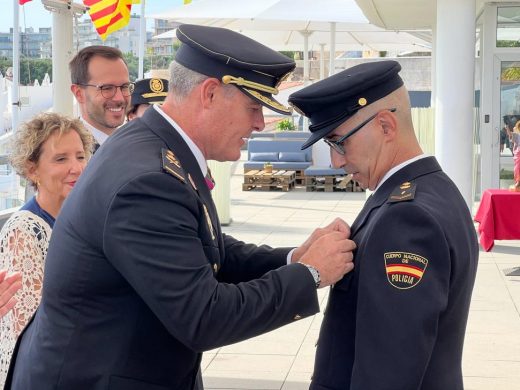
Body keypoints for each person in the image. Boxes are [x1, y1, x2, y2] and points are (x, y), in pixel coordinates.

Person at [6, 25, 355, 390]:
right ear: (209, 94)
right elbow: (204, 317)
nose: (257, 123)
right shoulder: (147, 179)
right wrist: (310, 274)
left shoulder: (154, 147)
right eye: (253, 107)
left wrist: (293, 258)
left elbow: (207, 248)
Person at [288, 60, 479, 390]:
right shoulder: (431, 190)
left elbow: (388, 371)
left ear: (386, 126)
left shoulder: (407, 219)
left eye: (338, 142)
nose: (336, 161)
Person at [0, 113, 93, 386]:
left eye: (80, 156)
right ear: (32, 170)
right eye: (61, 159)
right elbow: (27, 329)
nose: (76, 167)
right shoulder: (25, 231)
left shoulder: (83, 219)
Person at [69, 45, 131, 149]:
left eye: (125, 87)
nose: (120, 98)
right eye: (107, 88)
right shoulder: (69, 152)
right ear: (79, 94)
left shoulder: (135, 145)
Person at [510, 120, 520, 191]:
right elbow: (513, 142)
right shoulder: (517, 135)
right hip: (518, 156)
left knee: (518, 169)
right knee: (516, 170)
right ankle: (518, 183)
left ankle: (518, 184)